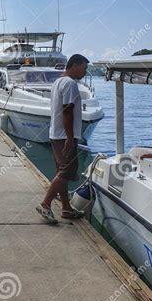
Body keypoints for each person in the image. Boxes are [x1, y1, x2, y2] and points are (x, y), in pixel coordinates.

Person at [36, 54, 89, 225]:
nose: (85, 71)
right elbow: (67, 111)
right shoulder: (70, 84)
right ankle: (45, 204)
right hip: (65, 136)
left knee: (62, 172)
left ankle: (66, 208)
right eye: (84, 67)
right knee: (66, 171)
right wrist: (69, 137)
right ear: (75, 65)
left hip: (55, 134)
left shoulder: (58, 81)